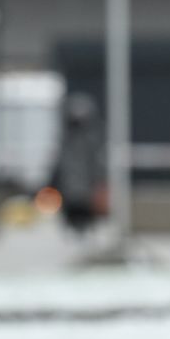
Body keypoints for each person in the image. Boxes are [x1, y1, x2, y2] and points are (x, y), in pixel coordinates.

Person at [48, 94, 104, 234]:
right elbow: (59, 166)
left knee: (86, 226)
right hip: (69, 195)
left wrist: (99, 187)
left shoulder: (93, 142)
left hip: (86, 196)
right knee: (71, 226)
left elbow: (97, 167)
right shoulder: (66, 141)